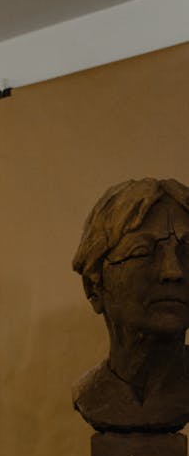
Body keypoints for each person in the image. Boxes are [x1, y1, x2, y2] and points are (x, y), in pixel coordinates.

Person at [72, 177, 189, 431]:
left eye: (187, 253)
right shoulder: (92, 397)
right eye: (142, 252)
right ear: (94, 288)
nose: (174, 271)